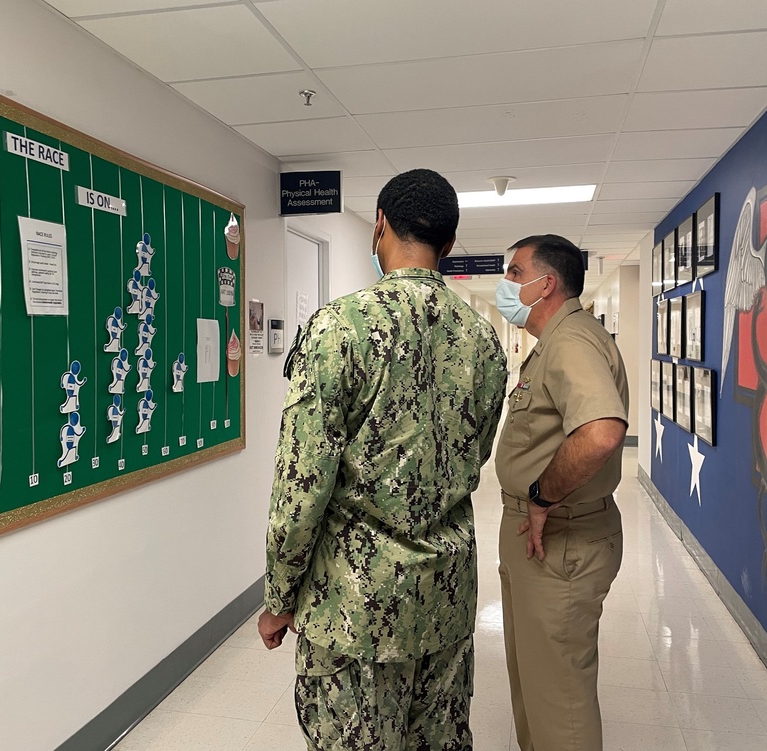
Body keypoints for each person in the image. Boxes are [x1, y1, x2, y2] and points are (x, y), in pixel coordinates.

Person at [259, 168, 507, 750]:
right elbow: (475, 455)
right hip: (445, 598)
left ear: (379, 227)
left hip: (355, 607)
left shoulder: (337, 330)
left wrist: (278, 597)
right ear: (448, 246)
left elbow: (301, 488)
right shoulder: (483, 339)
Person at [493, 235, 629, 751]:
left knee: (560, 704)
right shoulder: (558, 340)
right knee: (536, 684)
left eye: (514, 272)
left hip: (561, 540)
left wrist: (543, 497)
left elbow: (600, 431)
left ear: (544, 283)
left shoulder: (570, 341)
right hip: (543, 541)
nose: (506, 284)